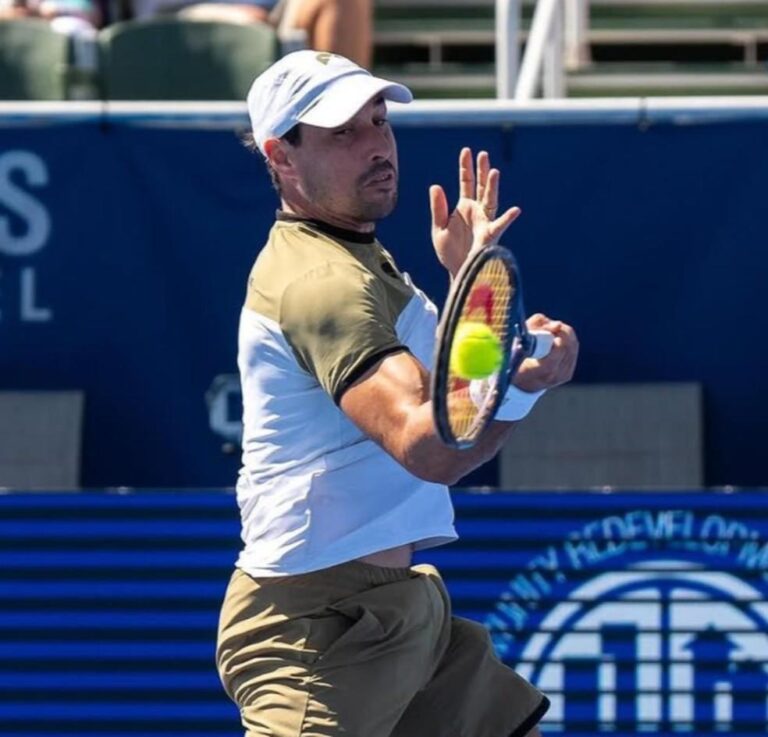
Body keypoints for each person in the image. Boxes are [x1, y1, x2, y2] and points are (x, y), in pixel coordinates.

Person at [216, 50, 579, 737]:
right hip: (316, 633)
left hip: (402, 615)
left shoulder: (361, 259)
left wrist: (470, 290)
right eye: (343, 133)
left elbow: (452, 392)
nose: (377, 144)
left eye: (379, 121)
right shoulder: (322, 282)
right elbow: (429, 444)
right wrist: (516, 385)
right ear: (281, 157)